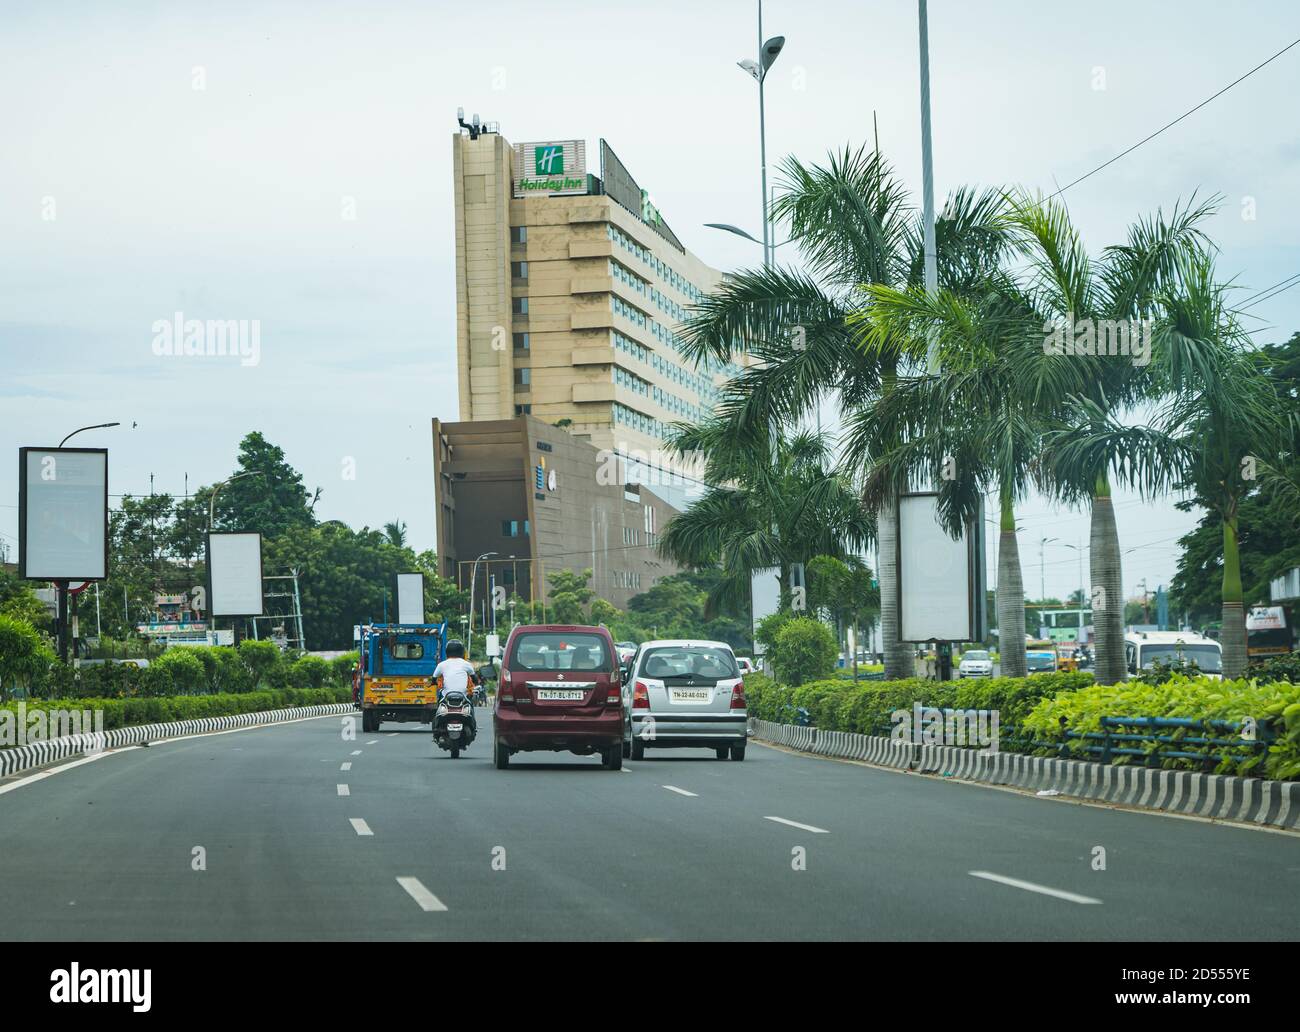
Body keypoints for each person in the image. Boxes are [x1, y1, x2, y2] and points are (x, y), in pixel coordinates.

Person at [432, 639, 481, 733]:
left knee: (439, 705)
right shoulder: (466, 664)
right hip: (463, 695)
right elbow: (474, 679)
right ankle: (474, 726)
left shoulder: (442, 665)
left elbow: (434, 678)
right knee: (470, 705)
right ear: (462, 651)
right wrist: (475, 684)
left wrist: (435, 683)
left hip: (446, 695)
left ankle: (436, 726)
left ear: (447, 651)